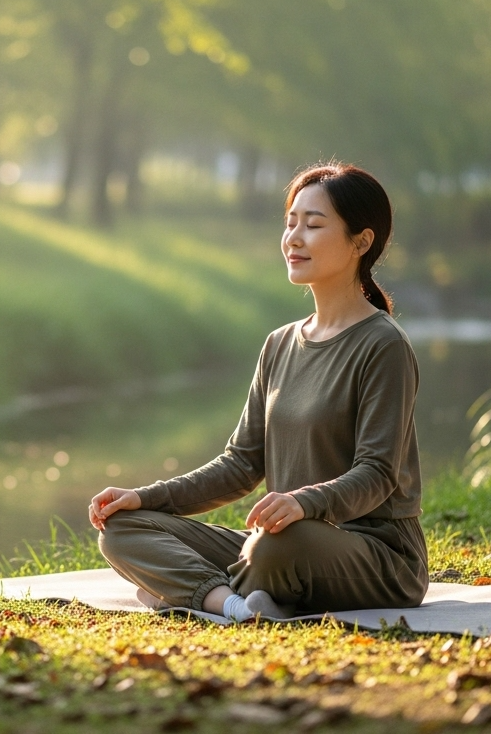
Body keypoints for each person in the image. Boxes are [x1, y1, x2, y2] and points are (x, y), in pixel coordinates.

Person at [88, 162, 427, 622]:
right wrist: (145, 497)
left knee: (271, 547)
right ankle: (232, 604)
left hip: (375, 555)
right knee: (122, 528)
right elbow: (241, 465)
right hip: (280, 541)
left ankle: (178, 591)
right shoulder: (279, 344)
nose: (294, 239)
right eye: (290, 223)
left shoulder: (383, 345)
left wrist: (302, 502)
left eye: (313, 225)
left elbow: (378, 473)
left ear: (361, 242)